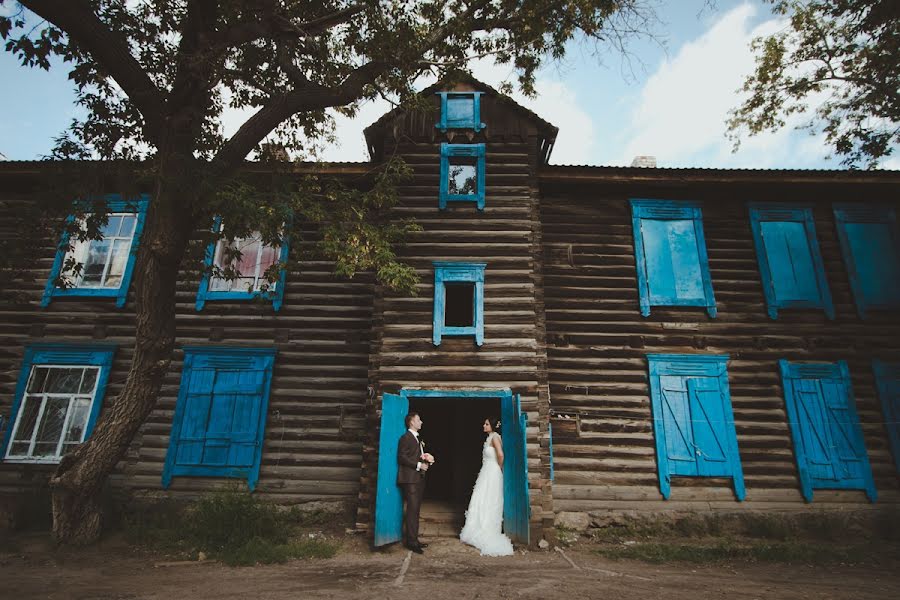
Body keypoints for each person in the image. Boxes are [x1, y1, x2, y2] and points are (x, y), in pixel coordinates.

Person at [459, 418, 514, 556]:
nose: (484, 425)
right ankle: (476, 528)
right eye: (484, 423)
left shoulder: (495, 437)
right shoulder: (490, 437)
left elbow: (500, 454)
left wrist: (499, 468)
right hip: (486, 471)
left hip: (492, 471)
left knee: (490, 499)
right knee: (481, 498)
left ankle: (487, 530)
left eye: (487, 424)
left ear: (493, 426)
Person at [397, 411, 435, 554]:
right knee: (412, 510)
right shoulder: (405, 438)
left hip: (418, 478)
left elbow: (414, 456)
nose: (421, 422)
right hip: (410, 479)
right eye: (419, 420)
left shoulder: (417, 439)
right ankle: (411, 542)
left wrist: (425, 459)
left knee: (416, 510)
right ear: (412, 422)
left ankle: (414, 539)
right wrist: (419, 465)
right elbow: (402, 457)